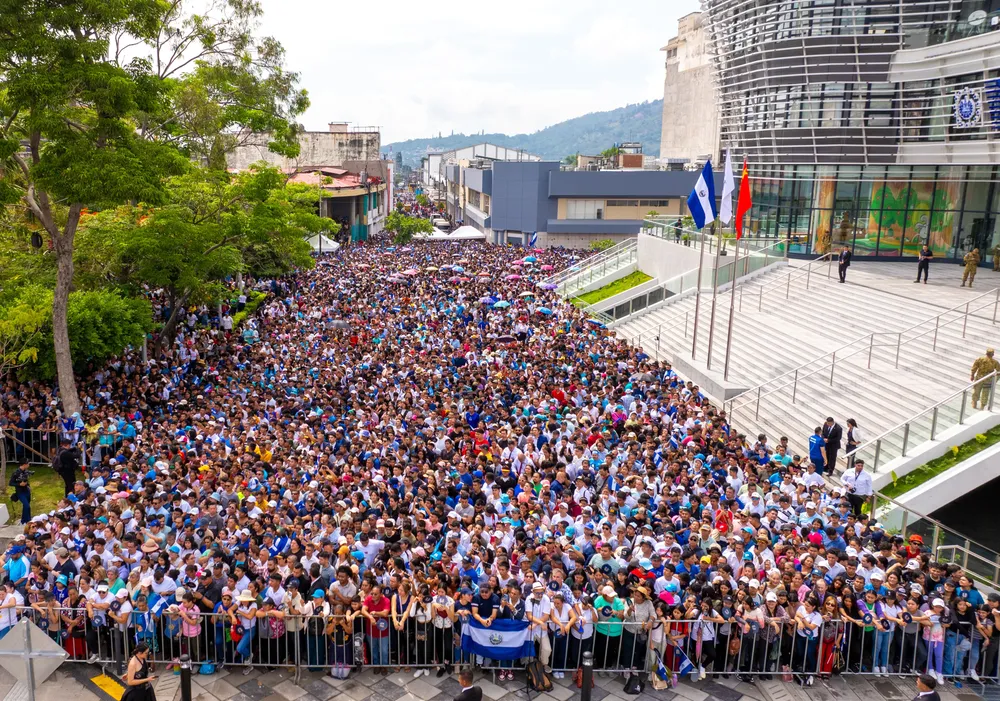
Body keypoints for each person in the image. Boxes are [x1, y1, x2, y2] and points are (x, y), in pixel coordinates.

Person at [8, 459, 31, 524]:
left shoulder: (26, 471)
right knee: (27, 506)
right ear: (24, 464)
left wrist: (28, 485)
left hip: (27, 491)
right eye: (28, 464)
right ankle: (27, 521)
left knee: (26, 506)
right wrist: (19, 484)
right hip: (20, 492)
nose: (29, 465)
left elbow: (26, 480)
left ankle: (24, 520)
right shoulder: (16, 473)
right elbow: (10, 483)